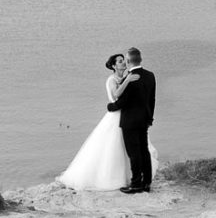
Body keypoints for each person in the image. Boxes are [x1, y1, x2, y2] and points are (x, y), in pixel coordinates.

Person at [56, 53, 138, 190]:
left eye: (123, 61)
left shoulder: (123, 77)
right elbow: (116, 95)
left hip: (126, 114)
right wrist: (128, 80)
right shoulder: (111, 80)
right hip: (116, 116)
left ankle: (129, 176)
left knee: (125, 147)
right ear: (113, 66)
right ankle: (111, 178)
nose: (124, 63)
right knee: (113, 146)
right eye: (120, 61)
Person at [107, 46, 156, 193]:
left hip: (130, 121)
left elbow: (122, 102)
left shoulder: (130, 78)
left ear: (128, 61)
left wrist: (111, 107)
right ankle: (147, 183)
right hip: (144, 119)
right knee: (144, 151)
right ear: (140, 59)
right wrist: (150, 118)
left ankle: (136, 184)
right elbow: (152, 99)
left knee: (133, 153)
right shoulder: (150, 75)